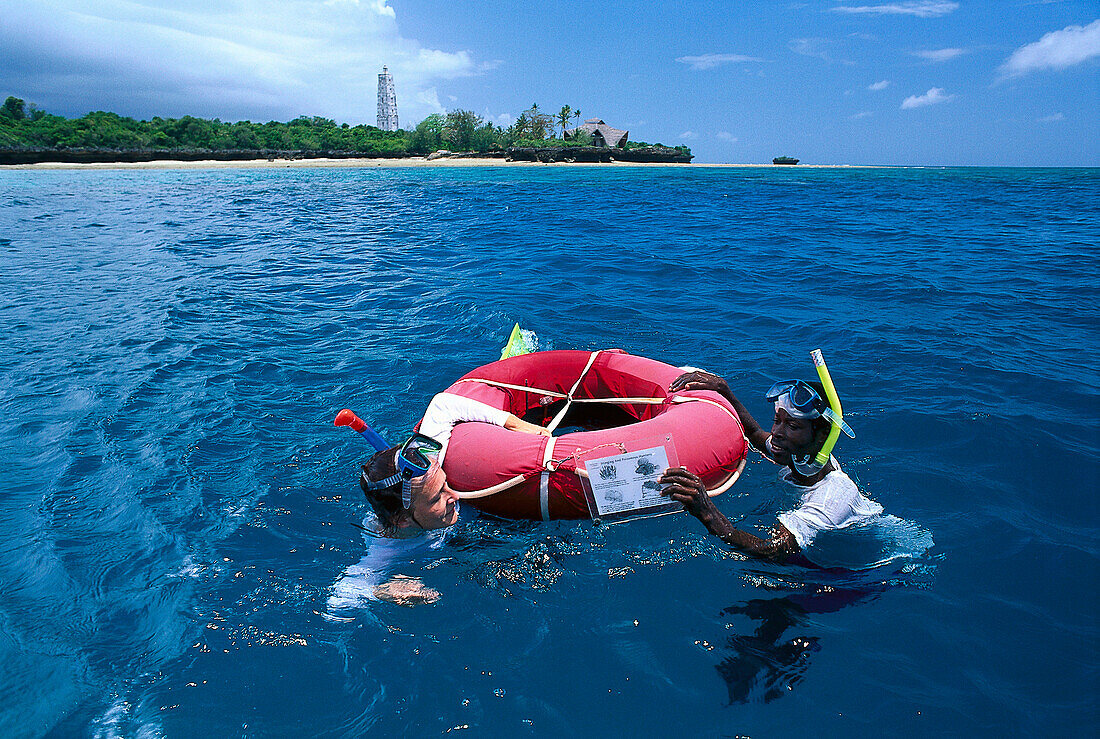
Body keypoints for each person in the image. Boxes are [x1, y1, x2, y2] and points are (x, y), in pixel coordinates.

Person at [660, 362, 882, 565]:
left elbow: (772, 551)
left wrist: (706, 511)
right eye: (777, 421)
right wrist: (724, 390)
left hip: (868, 570)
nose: (776, 433)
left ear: (822, 436)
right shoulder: (800, 456)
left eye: (792, 426)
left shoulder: (832, 497)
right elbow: (756, 434)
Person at [359, 391, 550, 533]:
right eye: (436, 497)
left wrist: (516, 424)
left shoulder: (425, 465)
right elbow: (355, 584)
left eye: (445, 484)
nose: (456, 496)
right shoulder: (387, 555)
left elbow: (443, 404)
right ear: (402, 521)